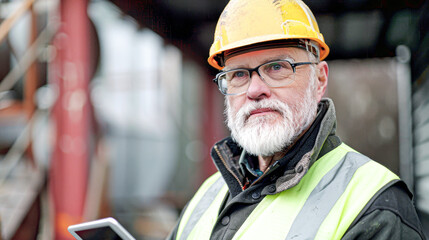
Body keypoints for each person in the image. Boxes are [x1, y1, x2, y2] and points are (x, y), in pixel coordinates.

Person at [167, 0, 426, 239]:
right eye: (238, 74)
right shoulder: (206, 196)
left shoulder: (374, 205)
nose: (254, 90)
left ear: (320, 80)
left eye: (277, 67)